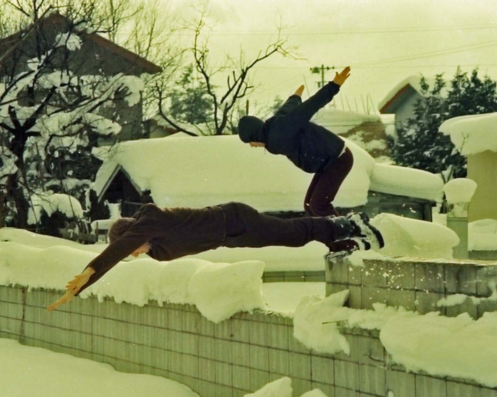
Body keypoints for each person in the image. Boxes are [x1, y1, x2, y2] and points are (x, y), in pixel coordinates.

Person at [47, 202, 383, 311]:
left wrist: (88, 275)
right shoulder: (157, 250)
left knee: (292, 234)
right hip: (231, 237)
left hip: (233, 220)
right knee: (291, 237)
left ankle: (347, 224)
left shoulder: (150, 219)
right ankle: (346, 235)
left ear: (133, 235)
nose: (135, 254)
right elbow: (127, 247)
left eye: (132, 249)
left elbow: (120, 247)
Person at [237, 66, 357, 257]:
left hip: (337, 158)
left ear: (253, 135)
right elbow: (288, 108)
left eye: (250, 142)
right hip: (327, 162)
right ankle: (335, 244)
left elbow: (308, 108)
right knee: (310, 205)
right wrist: (295, 96)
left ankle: (347, 243)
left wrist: (333, 86)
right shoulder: (274, 127)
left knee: (319, 205)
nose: (252, 146)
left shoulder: (279, 131)